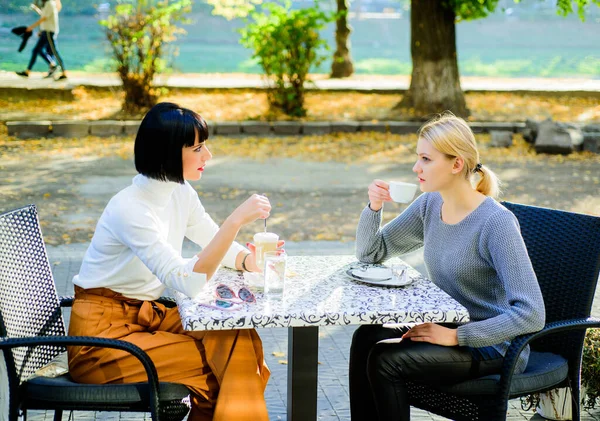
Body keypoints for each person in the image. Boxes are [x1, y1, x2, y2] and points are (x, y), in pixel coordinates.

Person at [67, 102, 279, 421]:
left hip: (143, 319)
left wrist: (249, 260)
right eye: (197, 147)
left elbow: (210, 237)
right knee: (228, 368)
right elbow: (188, 281)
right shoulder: (131, 209)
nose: (207, 156)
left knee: (237, 335)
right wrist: (235, 220)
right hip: (101, 343)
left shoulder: (179, 192)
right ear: (168, 152)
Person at [349, 112, 546, 421]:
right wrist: (374, 207)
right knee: (366, 337)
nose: (416, 168)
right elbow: (372, 253)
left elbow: (532, 314)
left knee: (385, 360)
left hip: (493, 345)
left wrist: (457, 337)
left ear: (456, 164)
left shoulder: (496, 223)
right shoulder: (430, 204)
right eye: (418, 158)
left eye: (426, 159)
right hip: (448, 325)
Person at [16, 0, 67, 80]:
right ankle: (29, 71)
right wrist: (41, 30)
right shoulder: (47, 4)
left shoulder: (50, 3)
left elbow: (44, 18)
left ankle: (63, 72)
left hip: (49, 32)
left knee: (53, 52)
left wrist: (31, 27)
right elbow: (44, 16)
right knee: (37, 50)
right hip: (45, 31)